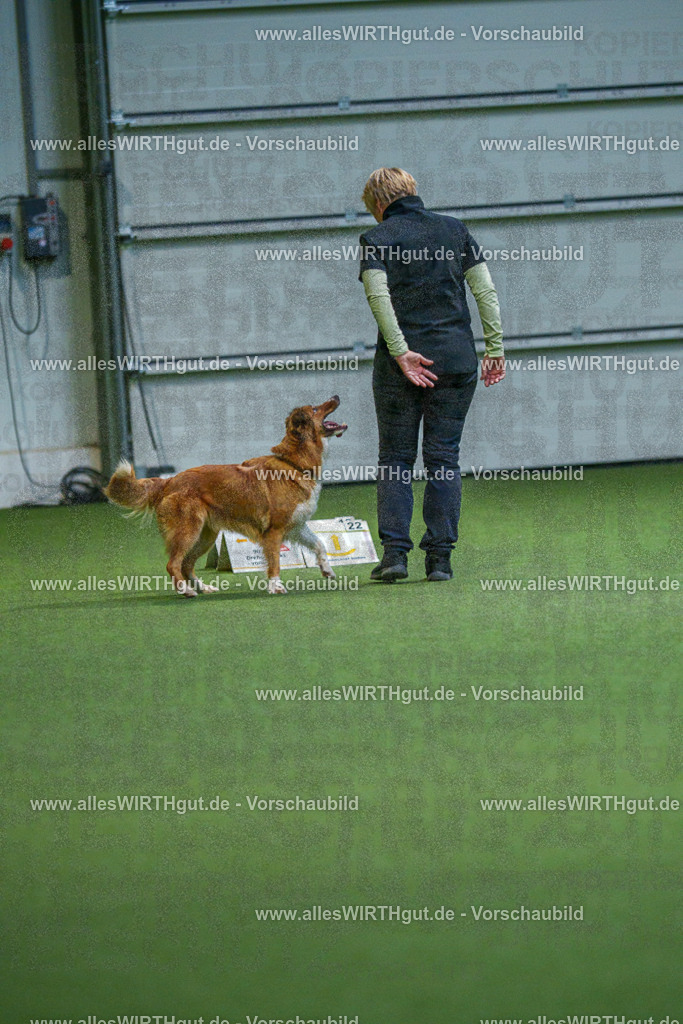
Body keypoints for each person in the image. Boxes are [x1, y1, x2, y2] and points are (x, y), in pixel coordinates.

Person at [359, 167, 505, 582]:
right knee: (443, 459)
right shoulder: (456, 230)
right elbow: (485, 291)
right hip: (456, 360)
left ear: (378, 204)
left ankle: (394, 557)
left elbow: (378, 297)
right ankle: (439, 559)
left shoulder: (377, 238)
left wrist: (402, 353)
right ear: (412, 191)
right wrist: (494, 348)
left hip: (399, 368)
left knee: (395, 460)